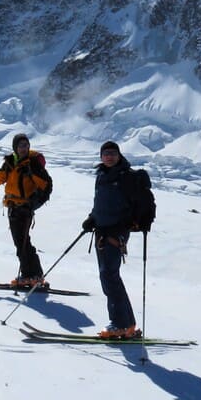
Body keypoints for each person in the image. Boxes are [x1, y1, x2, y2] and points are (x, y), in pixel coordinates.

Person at [0, 133, 52, 288]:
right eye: (20, 145)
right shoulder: (10, 163)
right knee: (23, 242)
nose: (24, 148)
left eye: (26, 145)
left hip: (24, 209)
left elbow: (46, 185)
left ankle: (29, 276)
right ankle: (35, 276)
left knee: (22, 243)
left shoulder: (32, 164)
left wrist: (34, 202)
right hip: (13, 208)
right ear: (15, 148)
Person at [81, 140, 145, 339]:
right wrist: (92, 218)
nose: (109, 156)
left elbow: (134, 207)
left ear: (119, 156)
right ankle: (128, 324)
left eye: (112, 153)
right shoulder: (101, 175)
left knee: (109, 276)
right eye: (106, 153)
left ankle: (120, 324)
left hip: (116, 232)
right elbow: (101, 203)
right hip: (101, 230)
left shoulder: (126, 177)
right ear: (101, 156)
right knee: (109, 276)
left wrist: (121, 226)